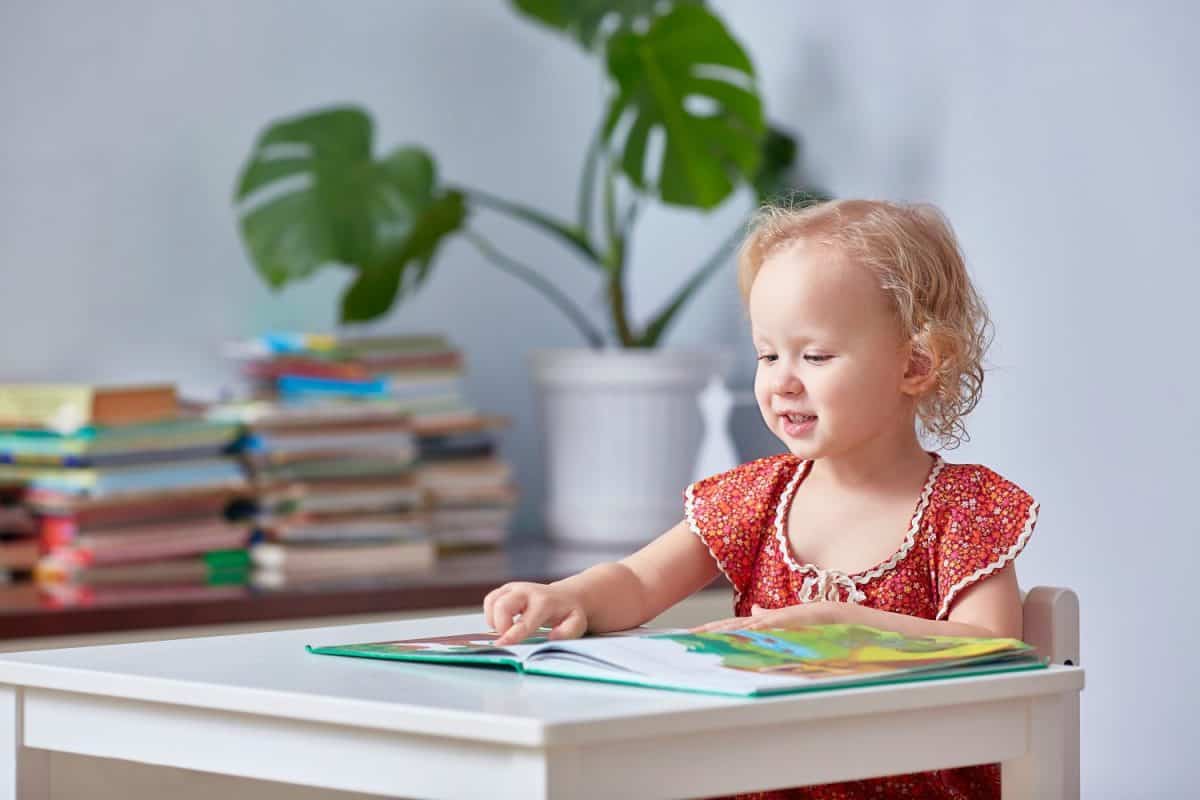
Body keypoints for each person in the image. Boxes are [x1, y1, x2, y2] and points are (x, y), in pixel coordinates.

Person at [484, 199, 1039, 799]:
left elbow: (991, 647)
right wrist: (569, 596)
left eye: (816, 356)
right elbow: (639, 583)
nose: (782, 381)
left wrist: (839, 626)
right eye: (768, 354)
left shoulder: (962, 507)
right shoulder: (759, 496)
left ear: (917, 363)